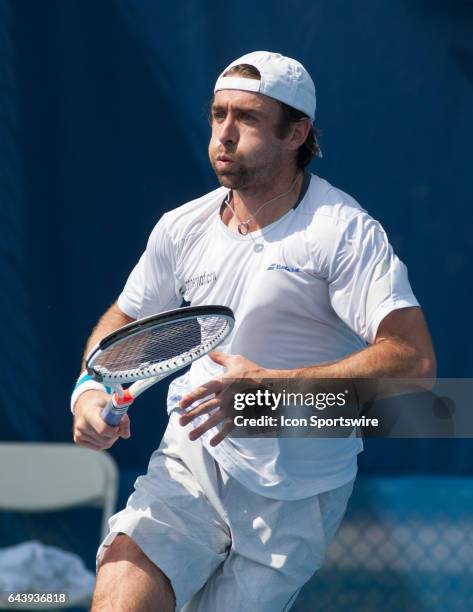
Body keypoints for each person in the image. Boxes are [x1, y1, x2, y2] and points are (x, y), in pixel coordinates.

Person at [71, 51, 436, 611]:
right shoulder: (182, 227)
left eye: (246, 118)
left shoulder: (343, 231)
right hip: (191, 459)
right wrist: (89, 390)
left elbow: (412, 361)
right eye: (218, 115)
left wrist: (275, 387)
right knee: (123, 577)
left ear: (297, 132)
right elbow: (125, 319)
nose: (224, 134)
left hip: (299, 490)